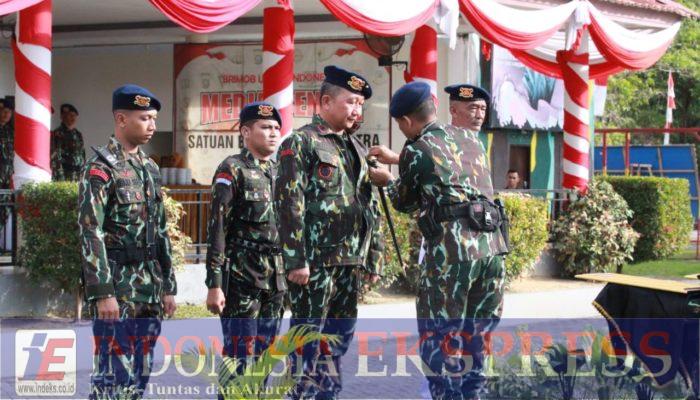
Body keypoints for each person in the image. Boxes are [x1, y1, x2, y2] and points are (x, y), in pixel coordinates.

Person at [368, 81, 509, 400]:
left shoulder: (416, 150)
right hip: (492, 250)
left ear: (405, 122)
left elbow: (404, 202)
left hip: (453, 254)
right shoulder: (471, 140)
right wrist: (398, 160)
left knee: (441, 343)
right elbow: (448, 173)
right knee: (478, 339)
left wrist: (387, 179)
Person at [274, 65, 384, 399]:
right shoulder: (301, 143)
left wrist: (373, 257)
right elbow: (288, 204)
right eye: (350, 101)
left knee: (336, 342)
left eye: (360, 104)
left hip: (349, 263)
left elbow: (370, 207)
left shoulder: (356, 149)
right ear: (325, 101)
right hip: (314, 266)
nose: (356, 110)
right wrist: (296, 260)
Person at [78, 84, 177, 400]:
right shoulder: (101, 167)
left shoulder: (149, 168)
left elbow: (160, 231)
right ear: (121, 119)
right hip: (118, 287)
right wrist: (103, 292)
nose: (152, 125)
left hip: (149, 286)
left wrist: (169, 286)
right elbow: (90, 230)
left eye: (154, 118)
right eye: (145, 118)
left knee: (140, 375)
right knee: (112, 379)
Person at [204, 102, 286, 390]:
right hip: (242, 278)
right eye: (265, 127)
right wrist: (214, 283)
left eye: (277, 128)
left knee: (265, 357)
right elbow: (217, 228)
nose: (273, 133)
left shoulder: (279, 171)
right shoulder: (231, 169)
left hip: (276, 279)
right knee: (239, 356)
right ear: (246, 132)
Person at [51, 103, 86, 181]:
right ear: (62, 117)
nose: (72, 118)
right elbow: (56, 158)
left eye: (74, 115)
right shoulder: (58, 134)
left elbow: (82, 155)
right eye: (70, 115)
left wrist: (83, 174)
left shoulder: (78, 134)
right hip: (64, 174)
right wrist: (60, 178)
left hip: (77, 174)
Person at [0, 103, 14, 234]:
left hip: (7, 176)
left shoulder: (10, 132)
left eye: (8, 112)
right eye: (3, 111)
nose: (6, 114)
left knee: (6, 209)